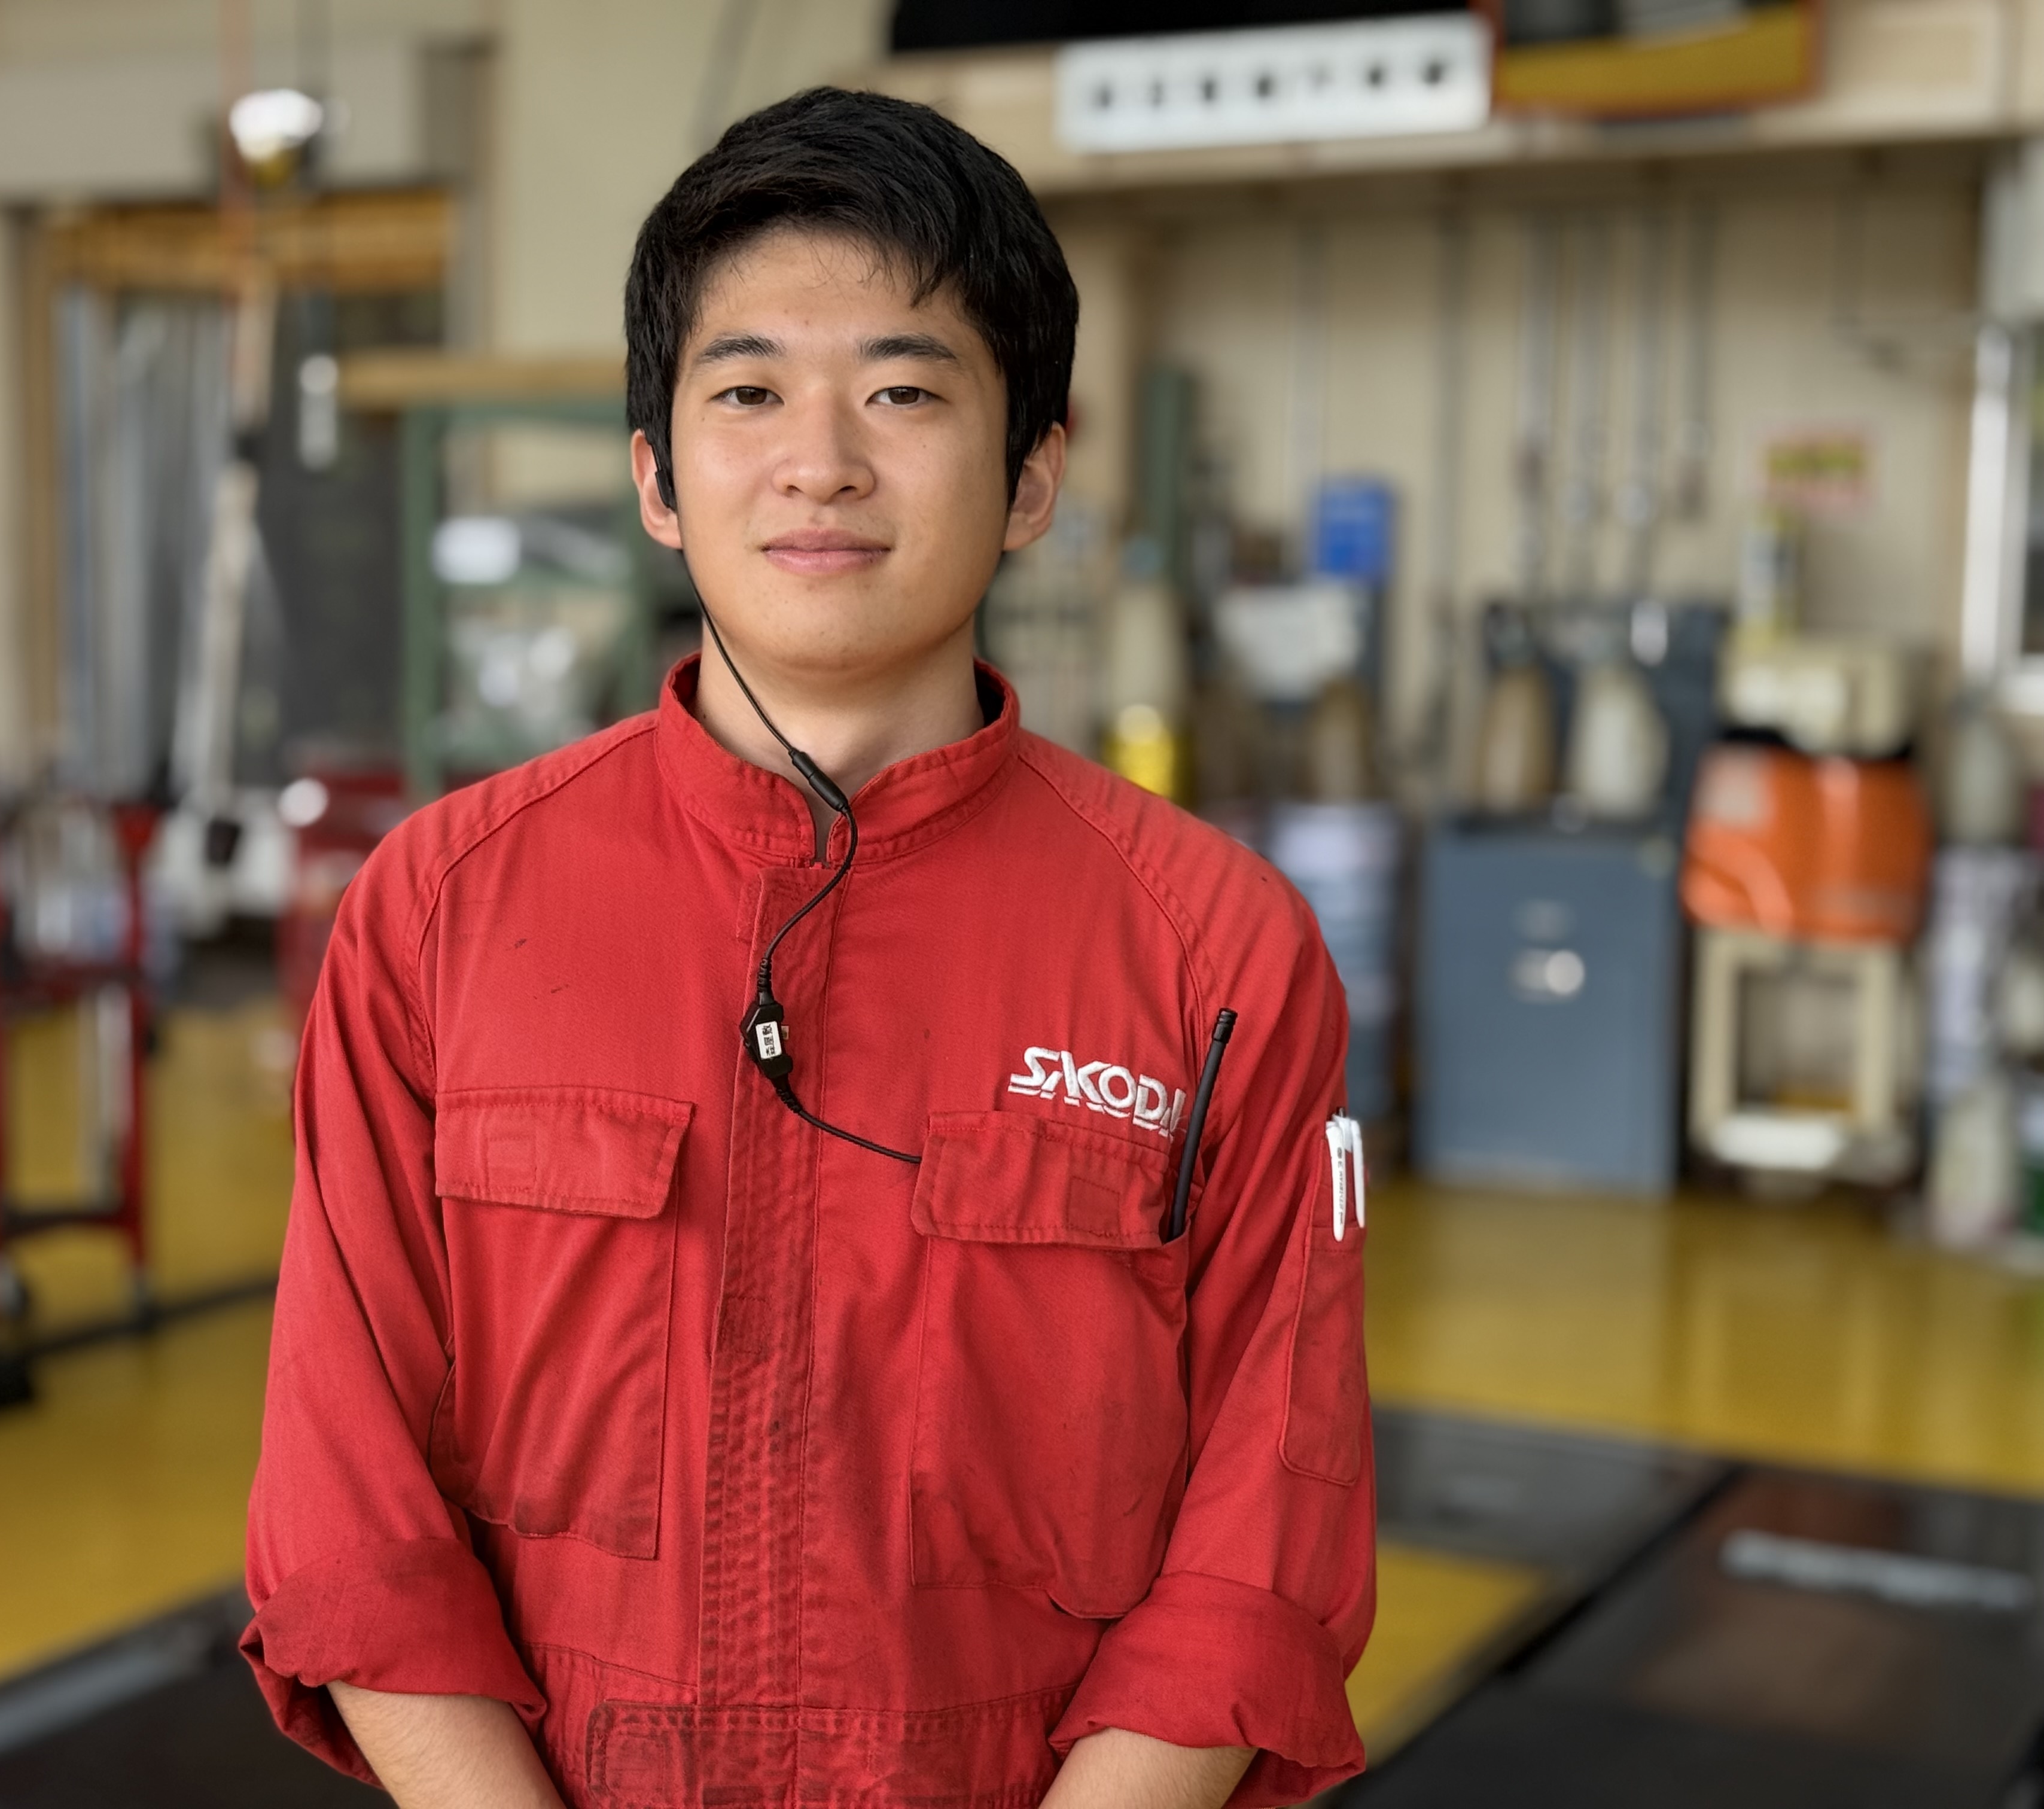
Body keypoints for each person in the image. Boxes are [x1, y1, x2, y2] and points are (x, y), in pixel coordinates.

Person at [242, 86, 1375, 1809]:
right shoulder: (438, 913)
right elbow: (353, 1516)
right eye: (749, 390)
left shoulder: (1220, 956)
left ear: (1034, 473)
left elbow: (1259, 1555)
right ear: (655, 477)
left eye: (905, 392)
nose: (821, 460)